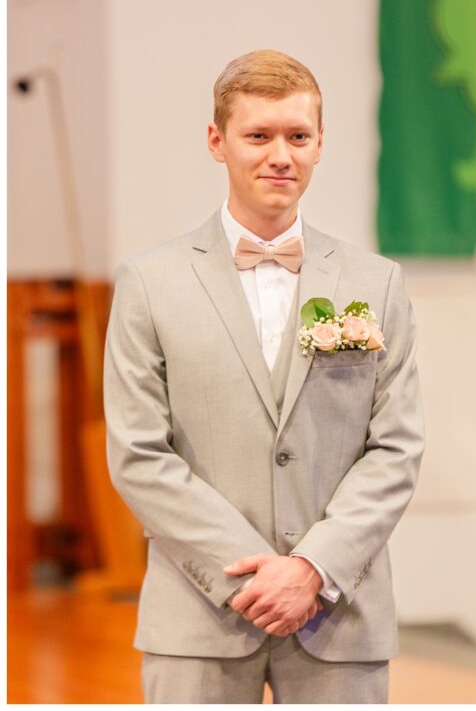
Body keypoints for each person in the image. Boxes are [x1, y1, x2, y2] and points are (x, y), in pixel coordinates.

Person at [104, 50, 424, 702]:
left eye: (297, 136)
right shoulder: (149, 282)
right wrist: (252, 578)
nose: (281, 155)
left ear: (320, 144)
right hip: (199, 617)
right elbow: (139, 455)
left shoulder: (377, 282)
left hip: (339, 613)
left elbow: (396, 448)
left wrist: (312, 566)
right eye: (259, 135)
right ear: (217, 142)